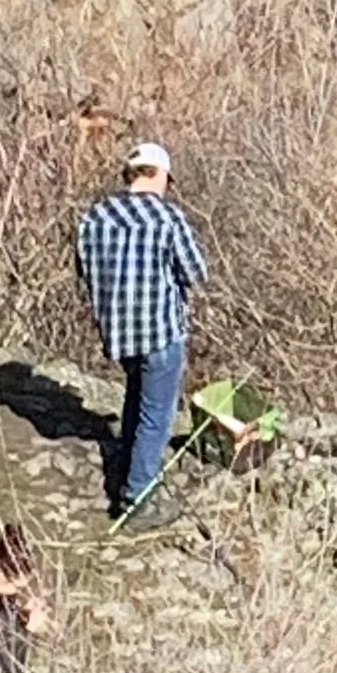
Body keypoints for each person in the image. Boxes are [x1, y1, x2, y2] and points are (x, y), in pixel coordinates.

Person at [74, 141, 209, 524]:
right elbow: (197, 273)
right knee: (156, 414)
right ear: (159, 175)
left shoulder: (94, 218)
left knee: (137, 396)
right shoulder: (167, 219)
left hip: (119, 334)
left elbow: (83, 271)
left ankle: (129, 465)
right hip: (161, 331)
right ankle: (138, 497)